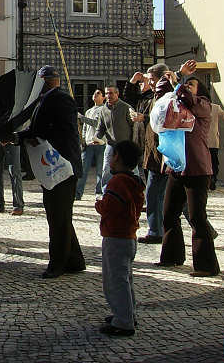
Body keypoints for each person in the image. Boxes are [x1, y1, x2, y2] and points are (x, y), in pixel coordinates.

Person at [17, 66, 85, 279]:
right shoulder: (47, 99)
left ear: (45, 81)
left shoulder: (59, 99)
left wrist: (20, 136)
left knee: (58, 217)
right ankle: (74, 260)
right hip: (55, 167)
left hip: (62, 166)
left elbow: (47, 129)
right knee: (59, 215)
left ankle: (58, 264)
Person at [157, 64, 220, 277]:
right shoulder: (177, 103)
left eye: (191, 84)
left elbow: (188, 98)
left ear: (200, 91)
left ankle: (206, 266)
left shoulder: (203, 105)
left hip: (197, 168)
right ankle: (172, 256)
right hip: (176, 167)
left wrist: (179, 83)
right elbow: (162, 90)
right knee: (169, 213)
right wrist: (177, 76)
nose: (186, 86)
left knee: (197, 217)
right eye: (186, 84)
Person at [96, 140, 145, 337]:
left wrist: (99, 205)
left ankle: (123, 322)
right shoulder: (134, 182)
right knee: (125, 279)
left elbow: (111, 207)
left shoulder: (117, 182)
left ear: (117, 157)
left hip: (116, 236)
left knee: (115, 281)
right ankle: (127, 314)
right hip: (128, 237)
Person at [129, 63, 169, 244]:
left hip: (162, 153)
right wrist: (132, 82)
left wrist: (143, 118)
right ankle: (157, 230)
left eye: (152, 80)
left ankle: (155, 232)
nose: (149, 83)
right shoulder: (151, 97)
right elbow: (130, 97)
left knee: (155, 194)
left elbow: (162, 118)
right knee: (161, 194)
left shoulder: (165, 96)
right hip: (151, 151)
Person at [97, 86, 134, 191]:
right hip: (111, 145)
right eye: (106, 93)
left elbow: (134, 125)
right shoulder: (103, 110)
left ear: (117, 94)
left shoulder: (126, 107)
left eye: (111, 93)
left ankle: (133, 190)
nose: (108, 96)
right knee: (107, 169)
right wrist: (96, 138)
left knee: (131, 169)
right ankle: (106, 192)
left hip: (126, 144)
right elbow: (101, 127)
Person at [76, 89, 106, 200]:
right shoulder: (89, 111)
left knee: (100, 170)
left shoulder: (104, 110)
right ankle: (78, 193)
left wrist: (81, 118)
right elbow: (85, 128)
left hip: (100, 143)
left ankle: (99, 192)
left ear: (103, 97)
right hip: (89, 144)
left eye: (98, 93)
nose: (95, 95)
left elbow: (96, 124)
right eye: (94, 93)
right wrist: (83, 139)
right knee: (83, 169)